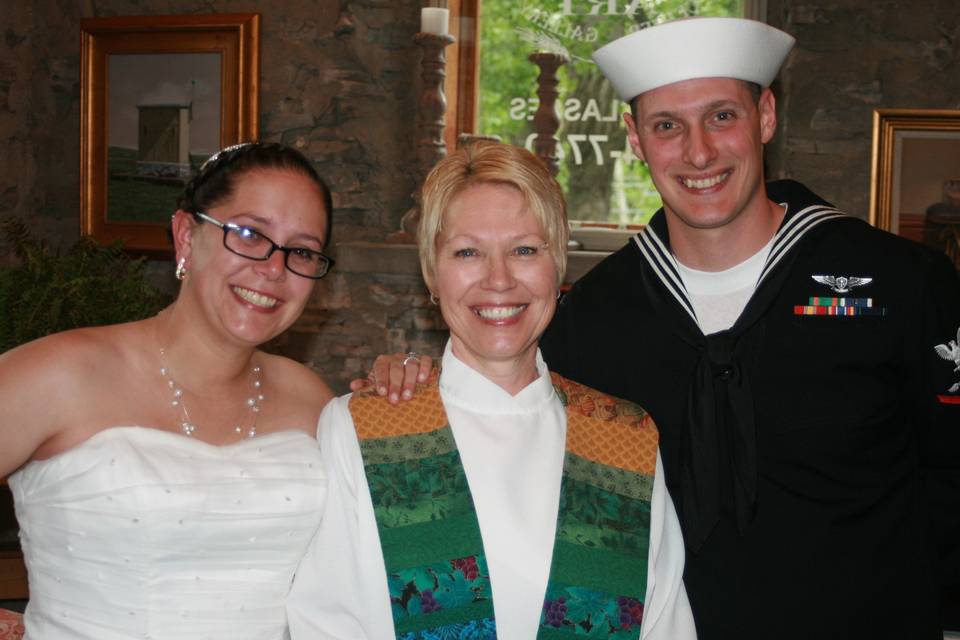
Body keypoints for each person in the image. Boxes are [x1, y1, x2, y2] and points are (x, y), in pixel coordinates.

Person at [369, 17, 960, 640]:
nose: (698, 151)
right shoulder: (591, 318)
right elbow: (507, 417)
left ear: (765, 115)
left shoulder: (899, 282)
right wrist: (413, 382)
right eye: (667, 126)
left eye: (722, 117)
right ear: (634, 137)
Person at [287, 140, 695, 639]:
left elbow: (665, 627)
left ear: (557, 265)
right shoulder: (363, 429)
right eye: (468, 252)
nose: (499, 279)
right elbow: (324, 623)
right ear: (432, 274)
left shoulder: (625, 440)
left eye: (525, 249)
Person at [0, 142, 335, 639]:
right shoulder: (61, 373)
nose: (273, 269)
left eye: (301, 251)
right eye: (249, 234)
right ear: (185, 236)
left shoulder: (311, 399)